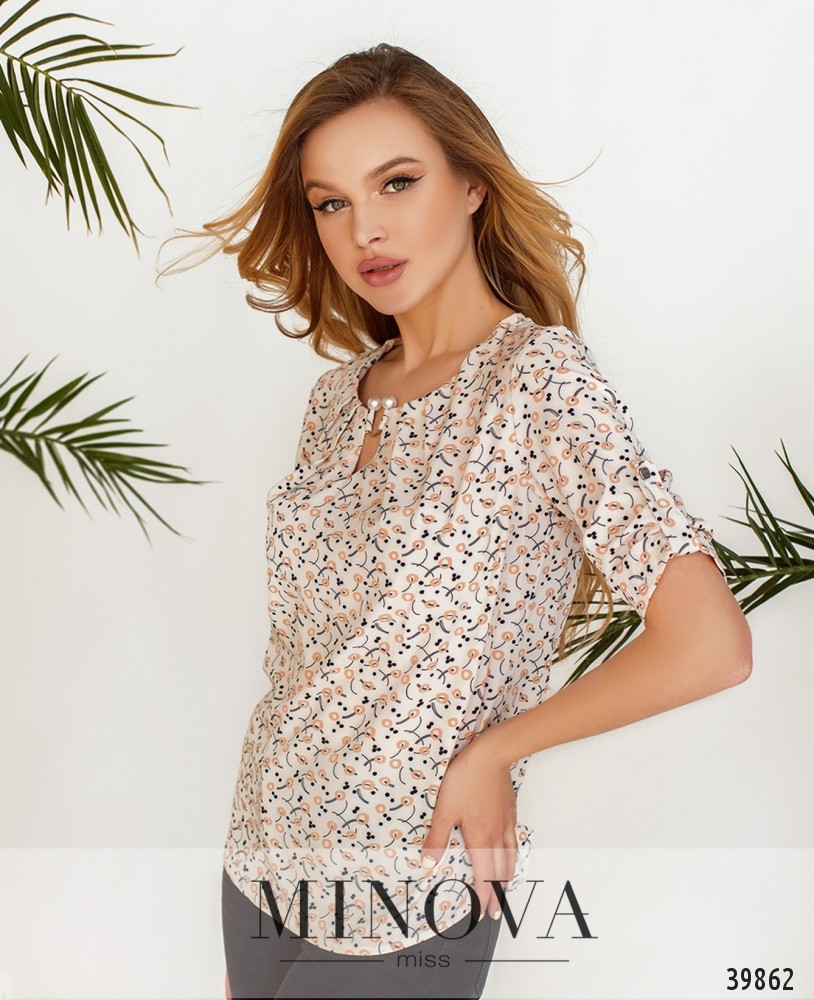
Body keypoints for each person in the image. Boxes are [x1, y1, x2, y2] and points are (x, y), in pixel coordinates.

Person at [159, 41, 752, 1000]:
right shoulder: (337, 398)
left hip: (413, 872)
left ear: (472, 184)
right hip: (264, 840)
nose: (365, 228)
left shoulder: (540, 381)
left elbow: (711, 645)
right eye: (330, 202)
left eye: (397, 182)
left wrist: (497, 750)